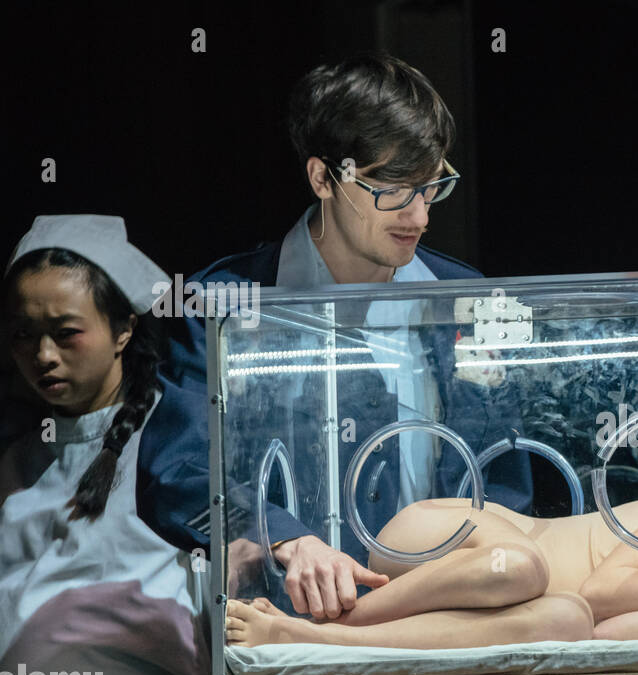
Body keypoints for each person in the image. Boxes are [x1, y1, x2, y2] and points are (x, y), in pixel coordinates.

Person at [164, 52, 532, 617]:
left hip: (443, 619)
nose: (420, 216)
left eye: (431, 187)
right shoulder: (224, 304)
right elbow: (177, 471)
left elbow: (505, 479)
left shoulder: (464, 298)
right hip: (282, 621)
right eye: (393, 190)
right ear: (323, 177)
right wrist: (279, 536)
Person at [0, 215, 317, 675]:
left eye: (65, 333)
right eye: (24, 336)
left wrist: (288, 544)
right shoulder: (15, 464)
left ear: (122, 330)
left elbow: (242, 542)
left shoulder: (172, 444)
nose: (44, 356)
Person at [225, 468, 638, 649]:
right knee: (525, 568)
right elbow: (611, 587)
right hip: (448, 542)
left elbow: (605, 626)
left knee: (565, 624)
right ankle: (334, 625)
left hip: (498, 593)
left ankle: (307, 639)